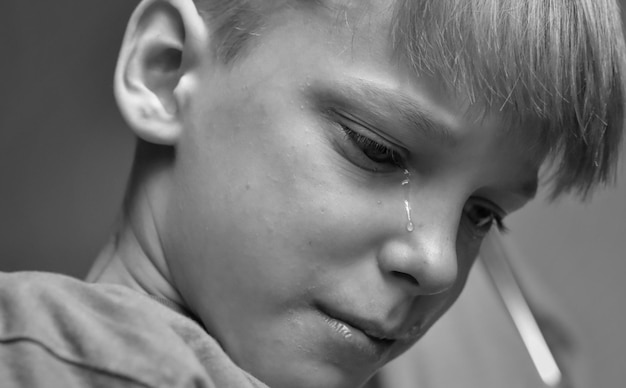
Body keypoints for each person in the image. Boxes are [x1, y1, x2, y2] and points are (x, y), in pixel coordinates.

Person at [1, 0, 624, 387]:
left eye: (481, 213)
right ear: (163, 72)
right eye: (377, 150)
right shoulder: (65, 355)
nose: (438, 263)